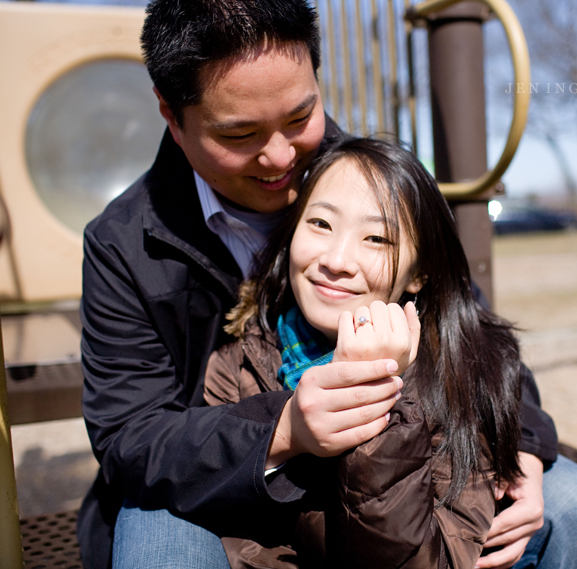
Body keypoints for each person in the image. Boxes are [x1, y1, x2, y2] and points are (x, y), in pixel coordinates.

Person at [78, 0, 577, 568]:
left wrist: (521, 445)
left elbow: (469, 328)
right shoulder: (125, 245)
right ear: (172, 116)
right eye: (241, 133)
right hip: (234, 495)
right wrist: (283, 429)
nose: (281, 159)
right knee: (154, 529)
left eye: (300, 117)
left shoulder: (371, 184)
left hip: (401, 496)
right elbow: (132, 437)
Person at [202, 137, 525, 568]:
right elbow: (243, 545)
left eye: (376, 238)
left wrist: (374, 396)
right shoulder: (238, 365)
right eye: (320, 224)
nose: (337, 259)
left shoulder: (459, 376)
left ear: (419, 273)